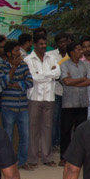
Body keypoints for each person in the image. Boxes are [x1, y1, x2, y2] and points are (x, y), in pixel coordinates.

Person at [25, 35, 60, 167]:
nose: (44, 46)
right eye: (41, 44)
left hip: (49, 97)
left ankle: (47, 157)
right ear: (35, 45)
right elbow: (34, 77)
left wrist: (44, 75)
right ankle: (32, 158)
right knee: (33, 129)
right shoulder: (28, 59)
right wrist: (49, 75)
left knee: (47, 128)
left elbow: (58, 73)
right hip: (34, 98)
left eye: (45, 44)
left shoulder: (51, 57)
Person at [59, 43, 90, 155]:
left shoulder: (85, 64)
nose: (82, 51)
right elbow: (66, 81)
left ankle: (79, 155)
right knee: (66, 130)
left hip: (83, 103)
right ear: (72, 52)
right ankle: (64, 156)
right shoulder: (64, 65)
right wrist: (82, 79)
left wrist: (75, 82)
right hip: (69, 103)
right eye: (78, 49)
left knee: (81, 131)